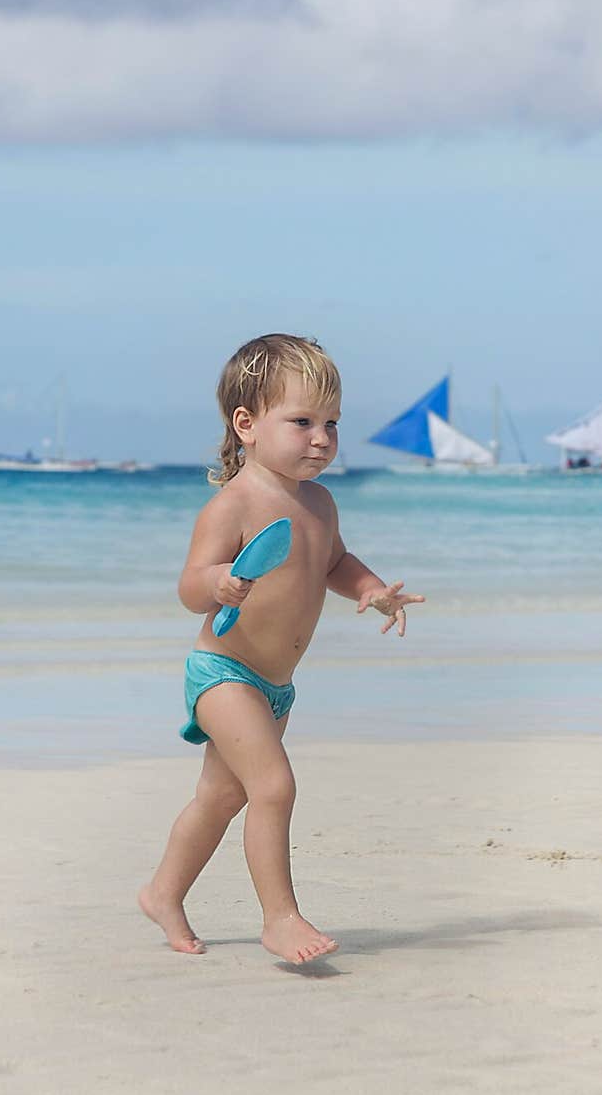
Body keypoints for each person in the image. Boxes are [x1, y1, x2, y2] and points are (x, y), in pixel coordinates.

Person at [139, 334, 425, 965]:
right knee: (274, 786)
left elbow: (335, 561)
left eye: (331, 424)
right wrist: (216, 581)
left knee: (221, 797)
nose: (321, 438)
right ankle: (280, 918)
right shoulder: (234, 503)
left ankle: (163, 891)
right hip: (224, 671)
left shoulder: (320, 503)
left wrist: (372, 589)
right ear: (247, 425)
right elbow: (191, 587)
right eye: (301, 422)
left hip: (275, 687)